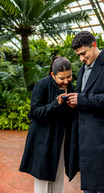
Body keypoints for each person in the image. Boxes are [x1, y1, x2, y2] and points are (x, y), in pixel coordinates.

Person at [67, 31, 104, 193]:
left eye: (83, 54)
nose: (81, 58)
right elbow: (82, 99)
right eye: (78, 55)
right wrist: (74, 103)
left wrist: (82, 99)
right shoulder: (82, 70)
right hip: (86, 141)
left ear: (94, 46)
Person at [19, 56, 75, 193]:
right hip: (42, 138)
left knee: (58, 173)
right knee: (42, 176)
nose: (66, 81)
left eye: (69, 77)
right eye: (62, 78)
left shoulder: (71, 86)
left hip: (61, 136)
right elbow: (35, 112)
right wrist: (56, 104)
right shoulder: (42, 85)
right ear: (52, 75)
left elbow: (70, 114)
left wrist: (73, 106)